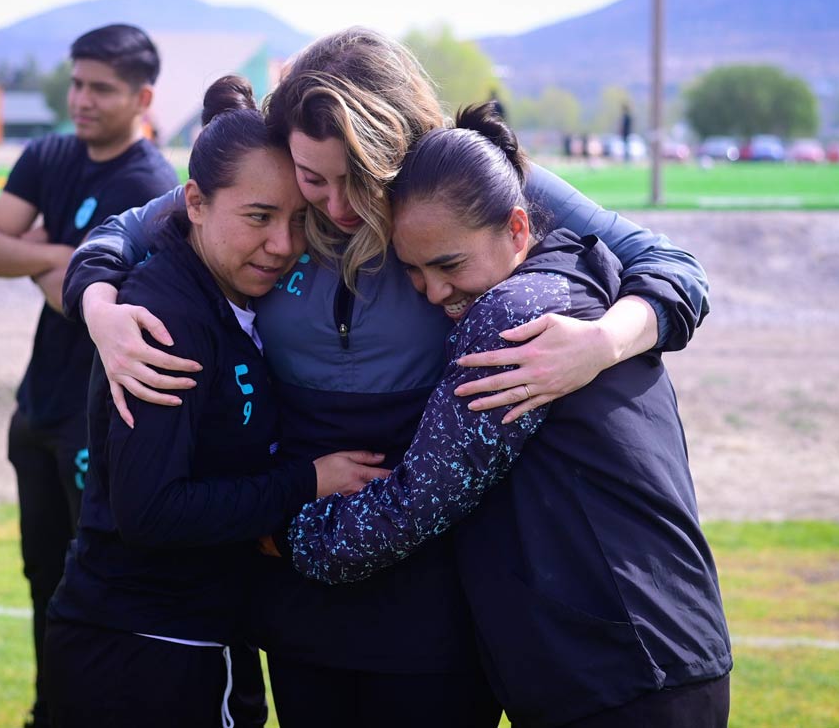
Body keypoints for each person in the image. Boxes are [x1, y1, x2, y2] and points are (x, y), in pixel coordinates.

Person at [63, 27, 710, 727]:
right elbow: (118, 239)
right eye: (317, 180)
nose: (337, 206)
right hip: (294, 587)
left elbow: (674, 268)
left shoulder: (462, 176)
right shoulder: (279, 170)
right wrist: (100, 309)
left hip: (435, 596)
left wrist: (603, 343)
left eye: (363, 177)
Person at [286, 104, 732, 727]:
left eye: (449, 265)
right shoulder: (580, 277)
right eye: (412, 271)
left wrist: (284, 529)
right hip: (641, 656)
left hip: (618, 670)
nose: (435, 292)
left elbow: (423, 496)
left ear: (518, 229)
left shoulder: (512, 314)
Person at [43, 75, 386, 727]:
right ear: (194, 202)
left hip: (170, 641)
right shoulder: (166, 322)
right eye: (258, 217)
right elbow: (151, 510)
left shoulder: (218, 295)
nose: (283, 245)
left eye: (298, 219)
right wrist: (306, 481)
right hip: (153, 652)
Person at [0, 23, 179, 728]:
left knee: (90, 584)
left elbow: (78, 300)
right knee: (38, 580)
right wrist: (71, 254)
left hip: (97, 416)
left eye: (101, 88)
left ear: (143, 97)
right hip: (37, 407)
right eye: (77, 82)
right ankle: (46, 708)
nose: (81, 99)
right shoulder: (49, 153)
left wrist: (46, 258)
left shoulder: (150, 185)